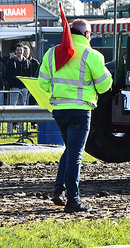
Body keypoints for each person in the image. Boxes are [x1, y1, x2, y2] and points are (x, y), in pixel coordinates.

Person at [38, 19, 112, 212]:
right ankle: (73, 200)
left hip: (59, 111)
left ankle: (58, 189)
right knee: (75, 156)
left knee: (70, 151)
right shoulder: (91, 54)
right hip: (80, 112)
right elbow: (104, 86)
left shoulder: (52, 53)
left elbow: (43, 83)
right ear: (87, 35)